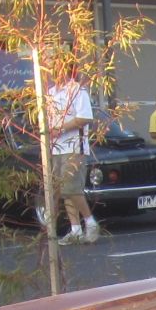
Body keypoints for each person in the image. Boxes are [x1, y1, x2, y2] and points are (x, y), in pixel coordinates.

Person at [44, 63, 97, 245]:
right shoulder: (51, 93)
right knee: (64, 191)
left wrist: (61, 129)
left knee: (70, 187)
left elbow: (84, 118)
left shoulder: (77, 90)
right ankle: (76, 229)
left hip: (74, 147)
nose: (52, 72)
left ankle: (90, 223)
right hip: (55, 147)